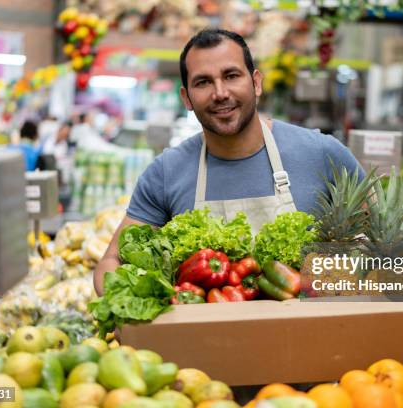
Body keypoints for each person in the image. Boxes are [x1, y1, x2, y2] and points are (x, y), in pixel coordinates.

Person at [94, 28, 364, 295]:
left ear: (256, 83)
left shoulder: (322, 154)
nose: (220, 93)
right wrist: (122, 307)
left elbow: (388, 248)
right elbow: (111, 261)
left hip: (312, 334)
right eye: (203, 82)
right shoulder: (166, 172)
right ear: (186, 98)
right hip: (207, 338)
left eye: (231, 76)